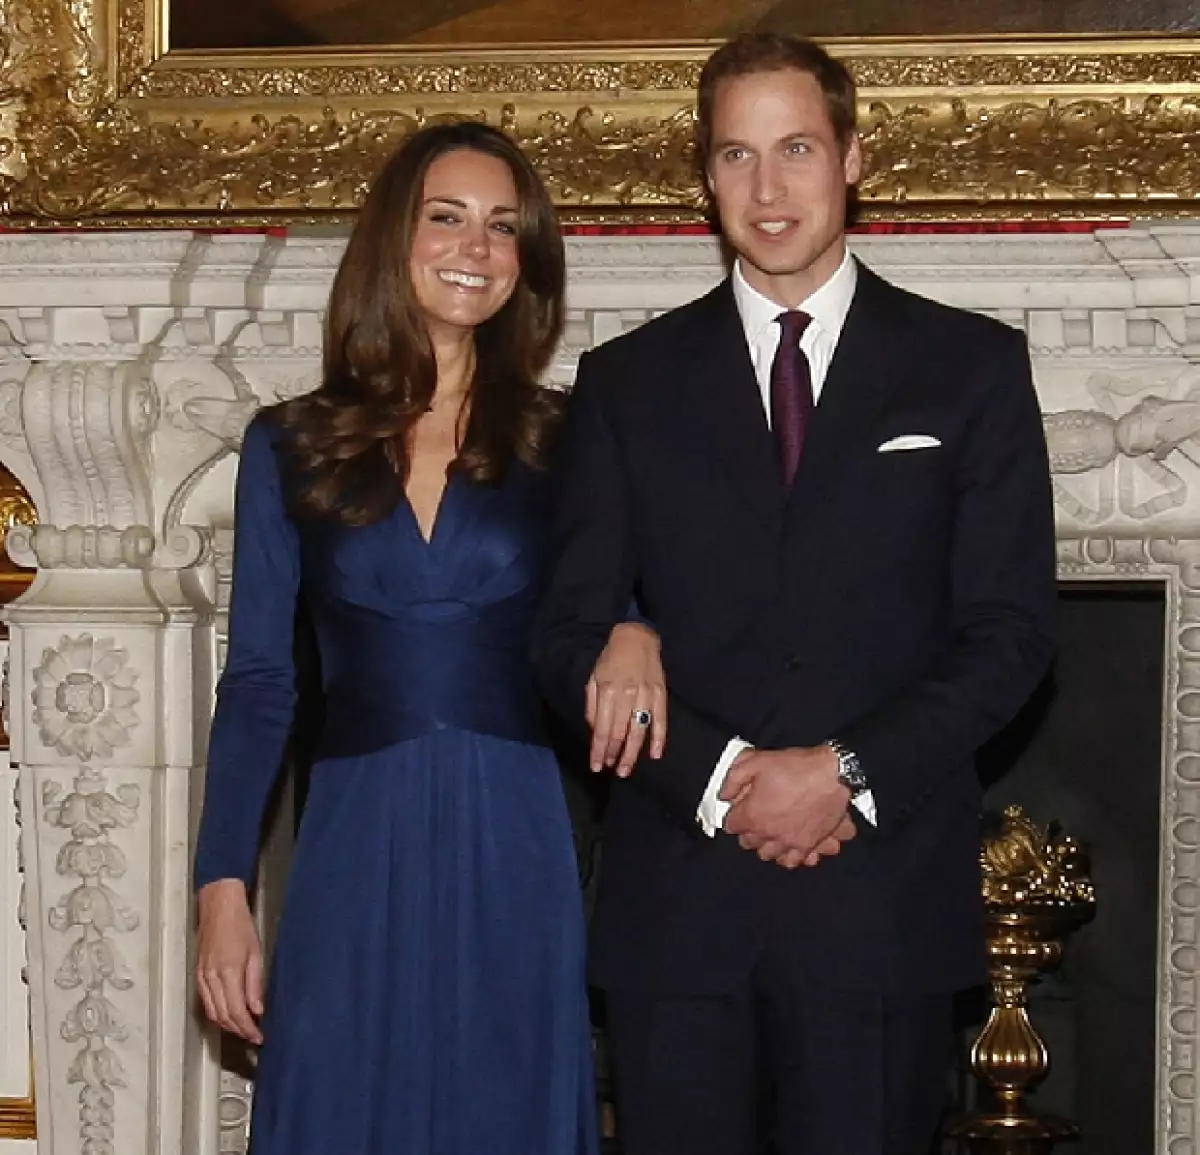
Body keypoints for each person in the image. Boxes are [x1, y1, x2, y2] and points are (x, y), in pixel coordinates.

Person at [534, 32, 1058, 1155]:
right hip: (679, 909)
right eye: (736, 156)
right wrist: (724, 779)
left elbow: (1012, 636)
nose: (767, 191)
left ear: (854, 157)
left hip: (879, 906)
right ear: (704, 177)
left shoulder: (970, 370)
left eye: (797, 149)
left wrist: (845, 772)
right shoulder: (625, 383)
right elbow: (567, 629)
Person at [192, 121, 668, 1155]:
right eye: (446, 217)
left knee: (506, 1101)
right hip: (352, 835)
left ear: (526, 262)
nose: (477, 247)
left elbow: (617, 599)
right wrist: (221, 887)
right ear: (391, 240)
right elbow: (262, 681)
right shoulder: (290, 444)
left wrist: (636, 632)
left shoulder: (566, 435)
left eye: (504, 228)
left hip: (516, 829)